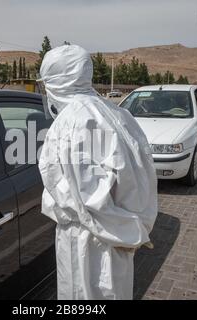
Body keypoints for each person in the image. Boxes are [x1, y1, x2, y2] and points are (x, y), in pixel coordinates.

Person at [37, 44, 158, 300]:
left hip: (88, 242)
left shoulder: (71, 121)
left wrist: (122, 230)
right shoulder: (118, 113)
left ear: (55, 82)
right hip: (116, 238)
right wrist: (132, 228)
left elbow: (85, 198)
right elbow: (143, 176)